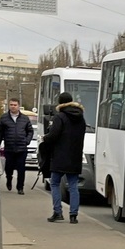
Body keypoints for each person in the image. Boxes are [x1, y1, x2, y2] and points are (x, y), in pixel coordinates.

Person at [40, 91, 86, 224]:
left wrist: (45, 138)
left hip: (60, 156)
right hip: (75, 156)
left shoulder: (59, 117)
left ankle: (58, 212)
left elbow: (53, 135)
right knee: (73, 185)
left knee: (54, 183)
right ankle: (73, 215)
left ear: (60, 103)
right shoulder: (81, 118)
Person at [0, 98, 34, 194]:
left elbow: (30, 131)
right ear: (9, 106)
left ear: (18, 106)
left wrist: (27, 141)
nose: (13, 106)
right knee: (9, 167)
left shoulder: (24, 118)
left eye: (15, 105)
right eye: (11, 104)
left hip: (22, 148)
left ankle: (20, 187)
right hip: (9, 147)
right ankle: (9, 180)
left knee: (21, 169)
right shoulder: (4, 118)